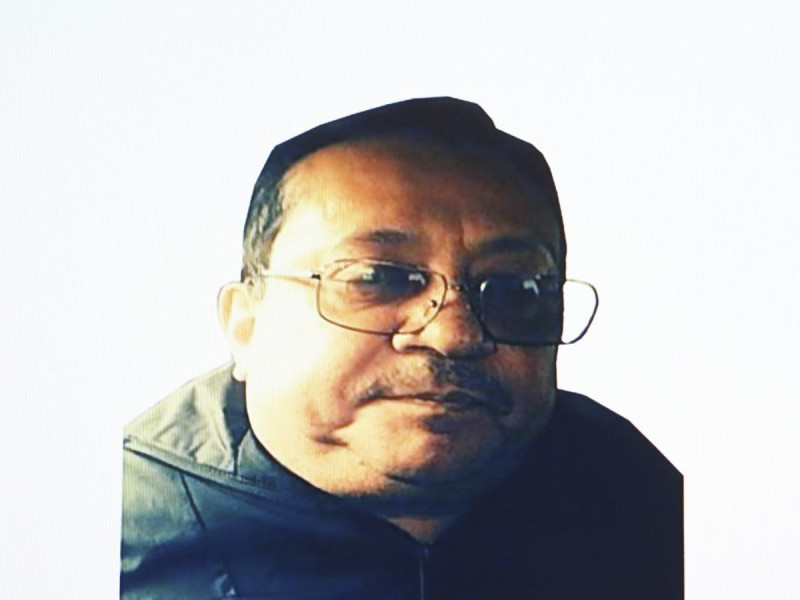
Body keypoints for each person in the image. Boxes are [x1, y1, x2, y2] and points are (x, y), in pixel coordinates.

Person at [120, 97, 683, 599]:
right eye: (376, 277)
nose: (454, 335)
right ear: (245, 324)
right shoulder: (114, 534)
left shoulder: (645, 504)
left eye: (516, 290)